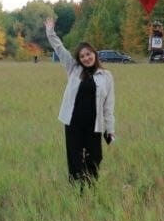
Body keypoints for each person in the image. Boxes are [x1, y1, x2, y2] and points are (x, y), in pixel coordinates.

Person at [45, 17, 115, 187]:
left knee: (95, 158)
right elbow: (59, 49)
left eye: (88, 54)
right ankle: (77, 190)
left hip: (94, 125)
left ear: (94, 54)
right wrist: (50, 31)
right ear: (79, 59)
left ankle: (90, 187)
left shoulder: (106, 76)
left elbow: (108, 106)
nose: (86, 58)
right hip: (73, 123)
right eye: (82, 56)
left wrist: (110, 129)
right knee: (75, 159)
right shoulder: (73, 69)